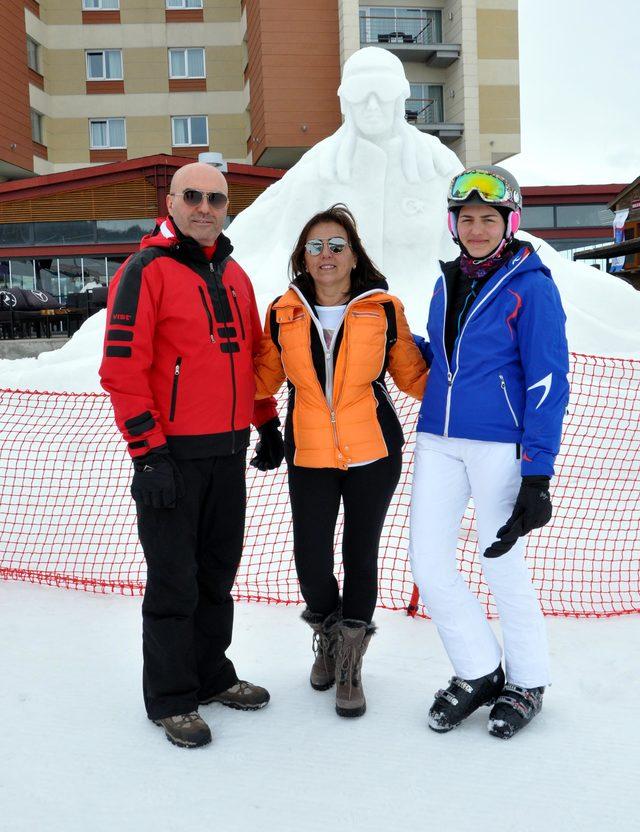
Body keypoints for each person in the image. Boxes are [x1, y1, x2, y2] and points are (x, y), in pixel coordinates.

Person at [99, 162, 283, 749]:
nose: (206, 207)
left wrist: (267, 422)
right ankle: (173, 698)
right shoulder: (144, 270)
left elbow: (252, 357)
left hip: (228, 454)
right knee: (175, 581)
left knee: (217, 577)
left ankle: (211, 676)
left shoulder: (235, 274)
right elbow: (121, 369)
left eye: (217, 199)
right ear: (172, 202)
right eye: (193, 196)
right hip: (171, 458)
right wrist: (147, 454)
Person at [409, 166, 570, 739]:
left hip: (499, 445)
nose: (476, 229)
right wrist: (397, 342)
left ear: (509, 222)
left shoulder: (532, 286)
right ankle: (478, 669)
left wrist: (538, 475)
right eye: (467, 218)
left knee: (500, 563)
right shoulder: (446, 280)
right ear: (454, 224)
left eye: (488, 218)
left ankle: (527, 681)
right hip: (438, 440)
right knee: (428, 563)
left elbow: (547, 381)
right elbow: (446, 360)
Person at [252, 204, 428, 718]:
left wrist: (467, 384)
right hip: (308, 452)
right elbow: (262, 380)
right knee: (310, 556)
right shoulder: (282, 312)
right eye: (315, 247)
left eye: (336, 246)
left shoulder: (383, 309)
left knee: (359, 553)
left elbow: (413, 377)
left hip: (374, 450)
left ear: (354, 256)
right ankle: (327, 637)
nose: (325, 255)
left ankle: (349, 663)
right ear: (301, 259)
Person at [227, 47, 460, 303]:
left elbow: (466, 247)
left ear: (400, 98)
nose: (372, 106)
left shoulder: (437, 163)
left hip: (423, 319)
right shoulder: (319, 166)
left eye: (384, 91)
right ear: (345, 101)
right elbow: (266, 240)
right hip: (340, 321)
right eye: (360, 93)